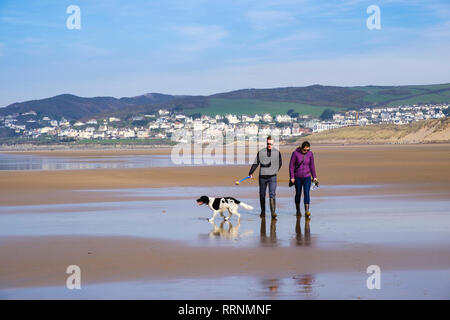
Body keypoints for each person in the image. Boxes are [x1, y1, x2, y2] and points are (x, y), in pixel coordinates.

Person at [249, 135, 282, 219]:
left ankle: (273, 213)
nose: (269, 145)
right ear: (266, 143)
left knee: (272, 194)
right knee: (262, 194)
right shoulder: (261, 152)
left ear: (273, 143)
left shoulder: (277, 153)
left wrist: (274, 170)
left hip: (272, 177)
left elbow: (280, 163)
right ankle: (263, 211)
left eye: (271, 144)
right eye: (268, 143)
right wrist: (251, 172)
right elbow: (256, 163)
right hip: (262, 177)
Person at [289, 141, 318, 217]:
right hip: (297, 177)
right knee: (298, 193)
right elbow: (291, 166)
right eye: (305, 150)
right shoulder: (295, 153)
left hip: (307, 177)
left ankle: (307, 211)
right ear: (301, 148)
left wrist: (314, 177)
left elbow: (312, 166)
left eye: (308, 150)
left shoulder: (310, 154)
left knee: (306, 192)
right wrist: (292, 177)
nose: (306, 151)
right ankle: (298, 210)